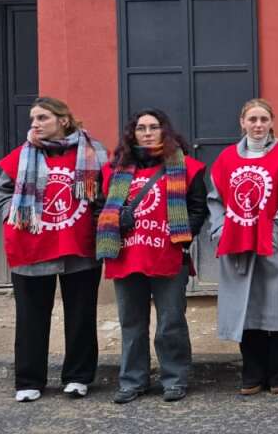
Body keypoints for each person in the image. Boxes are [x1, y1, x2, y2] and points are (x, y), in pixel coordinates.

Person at [0, 97, 109, 402]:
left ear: (63, 120)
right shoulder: (22, 156)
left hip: (79, 247)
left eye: (42, 118)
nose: (35, 124)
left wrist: (99, 228)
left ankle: (78, 377)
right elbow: (4, 191)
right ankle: (29, 380)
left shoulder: (92, 153)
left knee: (81, 316)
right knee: (31, 317)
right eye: (33, 119)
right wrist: (14, 215)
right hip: (31, 246)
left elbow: (104, 194)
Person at [96, 109, 208, 404]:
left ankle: (174, 379)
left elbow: (198, 208)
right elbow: (98, 207)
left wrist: (183, 239)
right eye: (141, 128)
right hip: (125, 256)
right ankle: (133, 381)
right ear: (132, 133)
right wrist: (113, 220)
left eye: (153, 127)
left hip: (168, 257)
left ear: (164, 131)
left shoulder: (189, 167)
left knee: (171, 321)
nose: (147, 132)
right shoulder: (112, 170)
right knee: (131, 322)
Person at [207, 98, 278, 395]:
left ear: (272, 121)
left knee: (275, 311)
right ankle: (251, 374)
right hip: (237, 244)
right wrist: (221, 229)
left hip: (273, 243)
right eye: (252, 119)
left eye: (263, 119)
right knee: (245, 310)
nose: (258, 125)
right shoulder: (226, 159)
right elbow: (216, 200)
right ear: (242, 122)